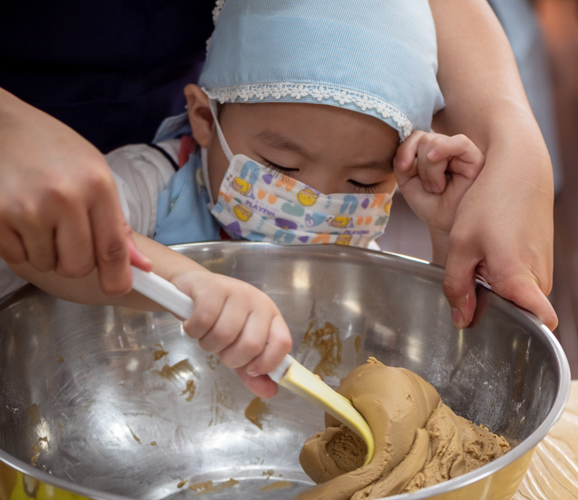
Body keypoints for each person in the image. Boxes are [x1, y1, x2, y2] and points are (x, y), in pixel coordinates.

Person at [8, 0, 488, 399]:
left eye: (362, 182)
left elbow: (420, 363)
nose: (315, 201)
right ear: (201, 117)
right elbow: (41, 254)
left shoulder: (354, 243)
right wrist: (190, 283)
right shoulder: (148, 185)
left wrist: (446, 238)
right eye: (283, 167)